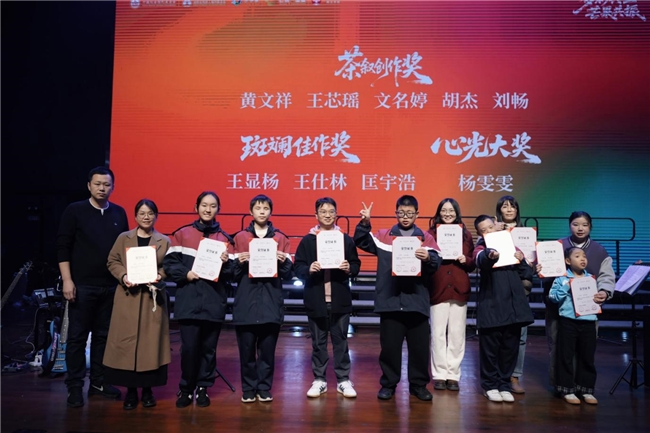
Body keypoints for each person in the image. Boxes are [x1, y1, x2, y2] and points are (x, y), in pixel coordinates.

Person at [354, 195, 441, 401]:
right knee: (390, 349)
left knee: (419, 349)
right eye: (401, 213)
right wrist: (365, 223)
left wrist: (428, 257)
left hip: (416, 302)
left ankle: (418, 385)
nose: (405, 217)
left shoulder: (426, 238)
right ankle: (389, 384)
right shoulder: (384, 236)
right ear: (396, 213)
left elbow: (437, 261)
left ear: (417, 214)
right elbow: (361, 241)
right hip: (390, 302)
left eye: (410, 213)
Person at [57, 166, 129, 408]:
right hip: (81, 286)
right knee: (77, 338)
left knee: (103, 337)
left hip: (111, 286)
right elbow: (63, 247)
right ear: (89, 185)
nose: (102, 188)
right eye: (97, 184)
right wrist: (67, 280)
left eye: (106, 184)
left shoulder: (119, 212)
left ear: (113, 187)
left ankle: (98, 382)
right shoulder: (74, 210)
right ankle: (75, 386)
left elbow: (124, 251)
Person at [163, 191, 234, 408]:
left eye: (212, 206)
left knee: (208, 349)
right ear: (196, 207)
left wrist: (225, 262)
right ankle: (186, 388)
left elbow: (232, 274)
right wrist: (186, 274)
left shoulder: (225, 240)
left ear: (218, 209)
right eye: (204, 205)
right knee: (189, 349)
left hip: (213, 302)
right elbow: (169, 264)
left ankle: (203, 387)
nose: (208, 209)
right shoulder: (181, 234)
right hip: (189, 301)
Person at [103, 199, 171, 410]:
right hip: (128, 298)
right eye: (142, 213)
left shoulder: (164, 241)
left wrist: (159, 275)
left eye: (150, 213)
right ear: (135, 216)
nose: (146, 217)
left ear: (156, 216)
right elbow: (112, 261)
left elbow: (169, 266)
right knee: (127, 344)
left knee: (150, 345)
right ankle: (130, 392)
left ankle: (148, 390)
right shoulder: (124, 238)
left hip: (152, 299)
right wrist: (124, 276)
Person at [294, 197, 361, 399]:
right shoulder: (308, 240)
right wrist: (309, 269)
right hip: (316, 299)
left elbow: (356, 264)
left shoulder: (345, 239)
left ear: (336, 214)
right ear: (316, 215)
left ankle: (343, 380)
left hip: (340, 299)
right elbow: (298, 267)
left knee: (341, 342)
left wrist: (349, 268)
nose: (327, 215)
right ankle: (319, 380)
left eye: (331, 211)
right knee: (318, 343)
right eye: (323, 212)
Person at [232, 195, 293, 403]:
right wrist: (239, 263)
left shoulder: (281, 239)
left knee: (267, 352)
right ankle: (248, 388)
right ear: (251, 212)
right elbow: (231, 274)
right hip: (246, 303)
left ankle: (264, 387)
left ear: (270, 212)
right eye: (258, 208)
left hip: (270, 302)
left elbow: (288, 274)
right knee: (246, 351)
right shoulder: (239, 238)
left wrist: (283, 262)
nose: (262, 212)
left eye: (265, 208)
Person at [543, 211, 614, 388]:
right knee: (559, 349)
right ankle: (562, 387)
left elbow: (606, 276)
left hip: (587, 310)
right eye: (575, 224)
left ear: (590, 227)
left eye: (584, 225)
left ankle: (583, 387)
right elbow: (547, 274)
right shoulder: (557, 246)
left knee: (586, 351)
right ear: (569, 225)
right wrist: (541, 269)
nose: (580, 228)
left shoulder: (599, 250)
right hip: (560, 310)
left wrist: (604, 292)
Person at [473, 215, 533, 403]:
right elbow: (480, 260)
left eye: (490, 227)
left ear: (496, 225)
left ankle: (504, 384)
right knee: (490, 350)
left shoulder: (511, 245)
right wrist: (490, 255)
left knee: (509, 349)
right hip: (492, 306)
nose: (488, 231)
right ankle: (490, 386)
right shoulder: (481, 248)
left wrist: (521, 260)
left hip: (514, 307)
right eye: (484, 230)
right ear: (480, 234)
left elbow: (527, 273)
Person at [427, 198, 475, 392]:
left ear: (457, 212)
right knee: (437, 333)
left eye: (451, 210)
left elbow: (472, 262)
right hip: (438, 287)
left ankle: (453, 374)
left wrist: (466, 260)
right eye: (444, 210)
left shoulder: (465, 234)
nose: (448, 214)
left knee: (457, 333)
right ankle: (439, 374)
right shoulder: (430, 234)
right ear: (439, 212)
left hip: (459, 287)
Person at [548, 247, 599, 405]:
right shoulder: (562, 278)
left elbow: (595, 299)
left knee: (587, 357)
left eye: (584, 256)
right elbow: (552, 297)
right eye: (577, 256)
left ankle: (586, 389)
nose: (582, 259)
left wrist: (599, 298)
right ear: (568, 261)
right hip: (568, 322)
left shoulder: (590, 278)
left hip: (589, 321)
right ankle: (567, 389)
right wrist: (567, 286)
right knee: (566, 356)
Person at [494, 195, 529, 394]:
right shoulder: (493, 231)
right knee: (499, 335)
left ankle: (514, 376)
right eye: (504, 206)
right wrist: (493, 232)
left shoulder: (526, 233)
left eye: (512, 206)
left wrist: (534, 264)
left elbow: (532, 260)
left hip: (520, 286)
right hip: (499, 286)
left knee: (520, 336)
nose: (509, 209)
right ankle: (497, 375)